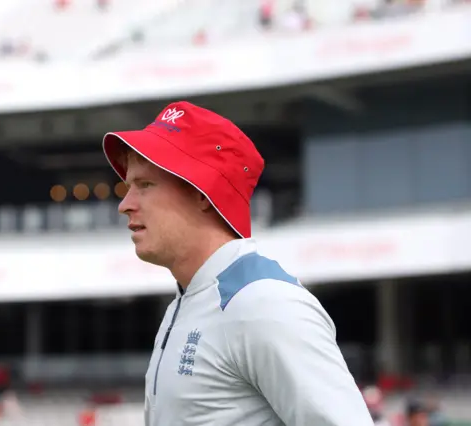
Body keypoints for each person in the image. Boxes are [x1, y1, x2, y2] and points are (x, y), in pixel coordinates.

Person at [101, 101, 374, 426]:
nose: (125, 205)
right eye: (128, 186)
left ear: (203, 193)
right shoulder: (190, 300)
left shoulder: (265, 304)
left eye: (145, 185)